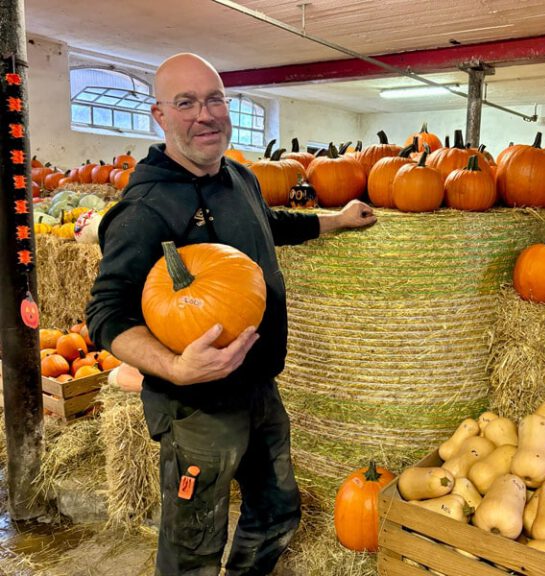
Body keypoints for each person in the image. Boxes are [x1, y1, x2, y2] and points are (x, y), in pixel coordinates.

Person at [85, 53, 376, 576]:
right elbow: (105, 313)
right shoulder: (146, 208)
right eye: (186, 103)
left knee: (276, 512)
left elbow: (270, 223)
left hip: (259, 386)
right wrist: (174, 368)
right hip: (197, 407)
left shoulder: (237, 175)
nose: (205, 114)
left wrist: (336, 220)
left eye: (214, 98)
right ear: (160, 116)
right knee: (195, 541)